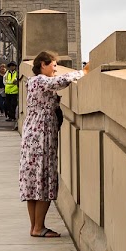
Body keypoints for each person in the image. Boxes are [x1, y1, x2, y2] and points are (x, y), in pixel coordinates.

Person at [19, 50, 87, 238]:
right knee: (45, 179)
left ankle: (35, 227)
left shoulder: (31, 81)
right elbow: (59, 82)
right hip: (42, 135)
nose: (56, 69)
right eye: (54, 65)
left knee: (33, 182)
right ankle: (39, 227)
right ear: (43, 64)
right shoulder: (42, 81)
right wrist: (83, 72)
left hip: (31, 134)